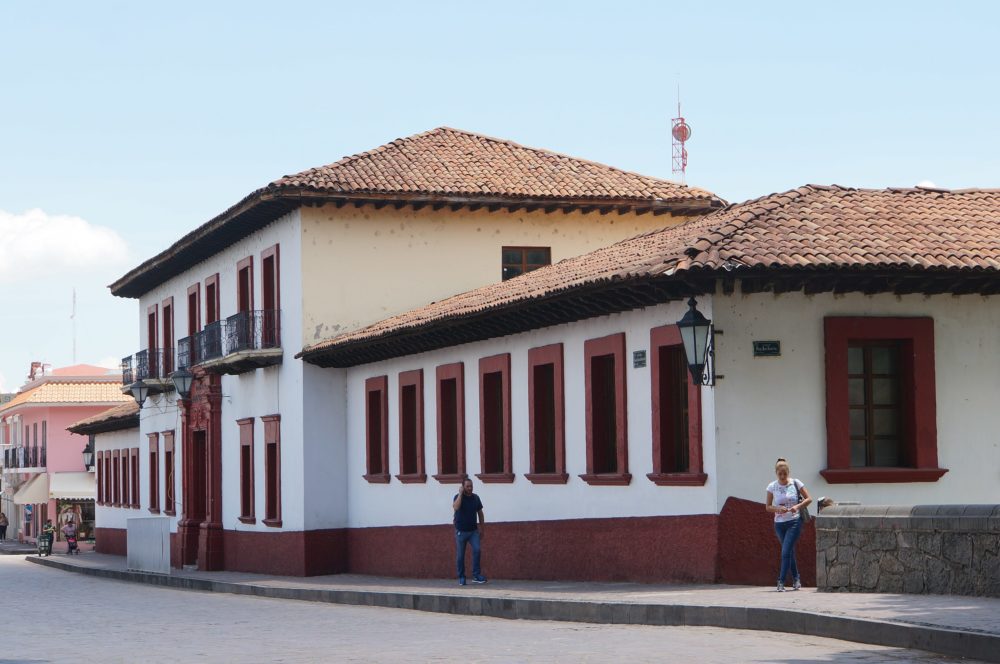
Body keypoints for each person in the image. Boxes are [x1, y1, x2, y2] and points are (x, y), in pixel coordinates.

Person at [765, 457, 811, 592]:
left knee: (785, 552)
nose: (783, 476)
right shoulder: (772, 486)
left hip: (794, 521)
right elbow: (767, 507)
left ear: (788, 472)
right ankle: (796, 578)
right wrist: (778, 509)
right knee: (789, 551)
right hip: (779, 523)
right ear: (776, 473)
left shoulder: (796, 483)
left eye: (785, 473)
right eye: (780, 474)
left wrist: (797, 506)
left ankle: (781, 581)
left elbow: (809, 499)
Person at [452, 478, 487, 586]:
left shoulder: (476, 498)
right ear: (463, 487)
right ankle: (462, 577)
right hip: (461, 532)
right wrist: (460, 494)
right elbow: (456, 507)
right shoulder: (458, 497)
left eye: (471, 486)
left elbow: (480, 513)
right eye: (467, 486)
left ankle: (476, 575)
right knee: (460, 556)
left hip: (473, 531)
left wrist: (482, 528)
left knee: (477, 550)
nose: (470, 488)